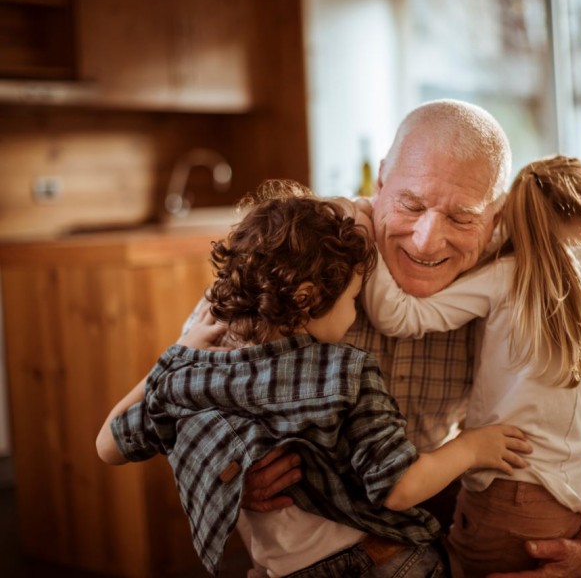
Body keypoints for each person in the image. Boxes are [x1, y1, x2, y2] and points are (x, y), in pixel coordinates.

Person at [196, 100, 581, 578]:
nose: (428, 241)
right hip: (298, 553)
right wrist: (231, 473)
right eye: (411, 204)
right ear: (380, 181)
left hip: (423, 531)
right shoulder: (305, 249)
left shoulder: (515, 270)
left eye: (462, 218)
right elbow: (184, 387)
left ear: (497, 215)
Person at [95, 181, 531, 577]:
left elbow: (108, 445)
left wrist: (176, 358)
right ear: (307, 299)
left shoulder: (197, 371)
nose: (356, 313)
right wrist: (473, 447)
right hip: (384, 564)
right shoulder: (346, 373)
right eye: (353, 299)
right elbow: (398, 487)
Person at [360, 155, 581, 576]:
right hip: (567, 501)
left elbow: (397, 316)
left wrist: (365, 227)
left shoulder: (509, 274)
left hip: (500, 489)